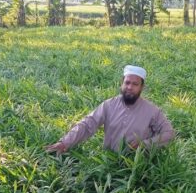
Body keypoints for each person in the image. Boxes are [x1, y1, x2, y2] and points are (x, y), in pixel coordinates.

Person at [45, 65, 174, 154]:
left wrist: (144, 144)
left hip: (138, 165)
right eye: (127, 83)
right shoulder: (108, 105)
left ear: (142, 87)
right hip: (109, 161)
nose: (130, 87)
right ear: (121, 83)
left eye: (135, 84)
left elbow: (169, 133)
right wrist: (65, 143)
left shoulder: (152, 111)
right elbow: (88, 124)